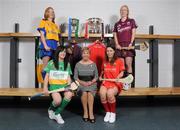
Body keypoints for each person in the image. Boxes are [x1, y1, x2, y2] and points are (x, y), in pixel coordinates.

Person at [43, 46, 73, 124]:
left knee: (70, 94)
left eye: (64, 52)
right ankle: (51, 109)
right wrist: (45, 88)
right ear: (58, 53)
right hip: (54, 87)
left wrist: (69, 86)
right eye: (61, 51)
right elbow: (47, 76)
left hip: (64, 87)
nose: (63, 53)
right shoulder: (51, 63)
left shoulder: (67, 64)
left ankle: (57, 113)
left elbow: (68, 77)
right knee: (58, 101)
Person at [113, 5, 137, 90]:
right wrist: (117, 44)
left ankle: (128, 83)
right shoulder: (117, 24)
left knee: (128, 64)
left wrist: (131, 43)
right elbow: (115, 35)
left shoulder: (131, 21)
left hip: (128, 46)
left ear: (127, 11)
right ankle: (122, 83)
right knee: (122, 66)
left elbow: (133, 33)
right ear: (120, 12)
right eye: (122, 10)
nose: (123, 11)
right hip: (120, 46)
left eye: (125, 10)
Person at [99, 44, 125, 123]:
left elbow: (122, 72)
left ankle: (113, 113)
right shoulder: (104, 61)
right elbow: (102, 71)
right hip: (106, 81)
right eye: (107, 51)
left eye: (111, 51)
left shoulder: (119, 61)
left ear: (114, 51)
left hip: (115, 82)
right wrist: (101, 77)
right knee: (102, 94)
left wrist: (118, 77)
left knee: (110, 94)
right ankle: (108, 112)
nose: (109, 52)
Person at [74, 47, 98, 123]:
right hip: (81, 83)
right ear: (81, 54)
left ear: (89, 54)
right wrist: (82, 82)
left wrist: (91, 82)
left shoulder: (93, 64)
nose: (85, 54)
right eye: (84, 53)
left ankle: (91, 113)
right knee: (84, 93)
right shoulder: (78, 64)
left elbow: (96, 77)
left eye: (87, 53)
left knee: (90, 93)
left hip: (92, 83)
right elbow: (75, 77)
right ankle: (85, 112)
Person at [37, 7, 60, 79]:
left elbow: (57, 37)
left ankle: (51, 85)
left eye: (52, 12)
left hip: (55, 46)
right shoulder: (43, 22)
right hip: (47, 44)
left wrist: (58, 46)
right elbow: (42, 35)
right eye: (49, 11)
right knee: (46, 66)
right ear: (46, 13)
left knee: (53, 67)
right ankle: (45, 86)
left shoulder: (56, 25)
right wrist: (45, 45)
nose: (51, 13)